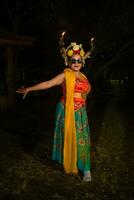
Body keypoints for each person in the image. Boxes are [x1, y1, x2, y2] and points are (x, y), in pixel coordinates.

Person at [16, 40, 92, 182]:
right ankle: (70, 162)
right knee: (69, 137)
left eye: (79, 60)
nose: (76, 63)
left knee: (83, 140)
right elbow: (48, 84)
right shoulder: (65, 75)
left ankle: (86, 168)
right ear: (68, 62)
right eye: (73, 60)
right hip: (65, 110)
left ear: (82, 62)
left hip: (80, 112)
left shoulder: (84, 77)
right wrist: (29, 89)